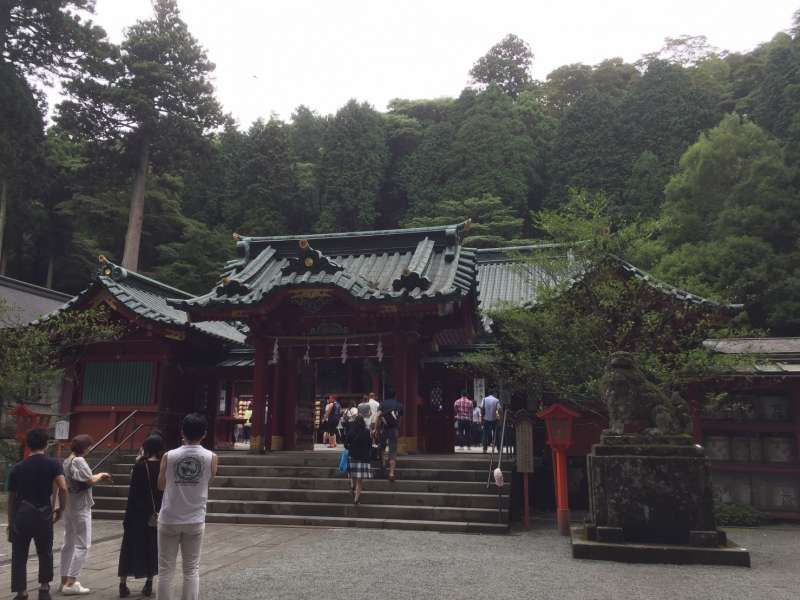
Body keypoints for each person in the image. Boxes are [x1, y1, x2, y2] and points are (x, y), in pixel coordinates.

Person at [157, 413, 218, 600]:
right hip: (195, 517)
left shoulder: (169, 456)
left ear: (182, 432)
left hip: (169, 517)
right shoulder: (212, 457)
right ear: (204, 434)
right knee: (191, 568)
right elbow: (209, 479)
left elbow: (160, 485)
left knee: (166, 570)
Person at [8, 428, 68, 600]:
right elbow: (63, 487)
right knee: (45, 552)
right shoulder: (53, 464)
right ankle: (43, 588)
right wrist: (61, 510)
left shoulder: (18, 467)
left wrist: (11, 522)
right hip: (43, 514)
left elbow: (11, 498)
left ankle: (21, 591)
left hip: (22, 515)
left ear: (28, 445)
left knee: (19, 554)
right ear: (46, 444)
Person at [60, 434, 112, 595]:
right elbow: (88, 480)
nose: (90, 449)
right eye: (89, 446)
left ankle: (64, 579)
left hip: (69, 503)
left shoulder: (67, 460)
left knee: (68, 542)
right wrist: (100, 475)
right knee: (82, 544)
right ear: (85, 448)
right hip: (80, 505)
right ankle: (72, 581)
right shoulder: (79, 461)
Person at [117, 435, 165, 598]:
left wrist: (127, 517)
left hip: (136, 513)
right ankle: (149, 583)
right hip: (154, 514)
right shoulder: (162, 467)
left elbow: (133, 494)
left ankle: (123, 584)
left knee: (129, 547)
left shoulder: (138, 467)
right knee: (151, 546)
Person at [345, 415, 372, 504]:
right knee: (360, 480)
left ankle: (352, 485)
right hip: (363, 458)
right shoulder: (367, 432)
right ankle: (356, 499)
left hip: (352, 456)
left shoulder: (351, 432)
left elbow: (346, 444)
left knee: (353, 474)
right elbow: (369, 445)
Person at [375, 397, 402, 481]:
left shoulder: (382, 404)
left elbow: (378, 416)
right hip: (394, 429)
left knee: (382, 447)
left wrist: (376, 429)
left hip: (384, 429)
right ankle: (391, 473)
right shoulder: (399, 404)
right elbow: (400, 418)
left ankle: (383, 464)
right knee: (392, 450)